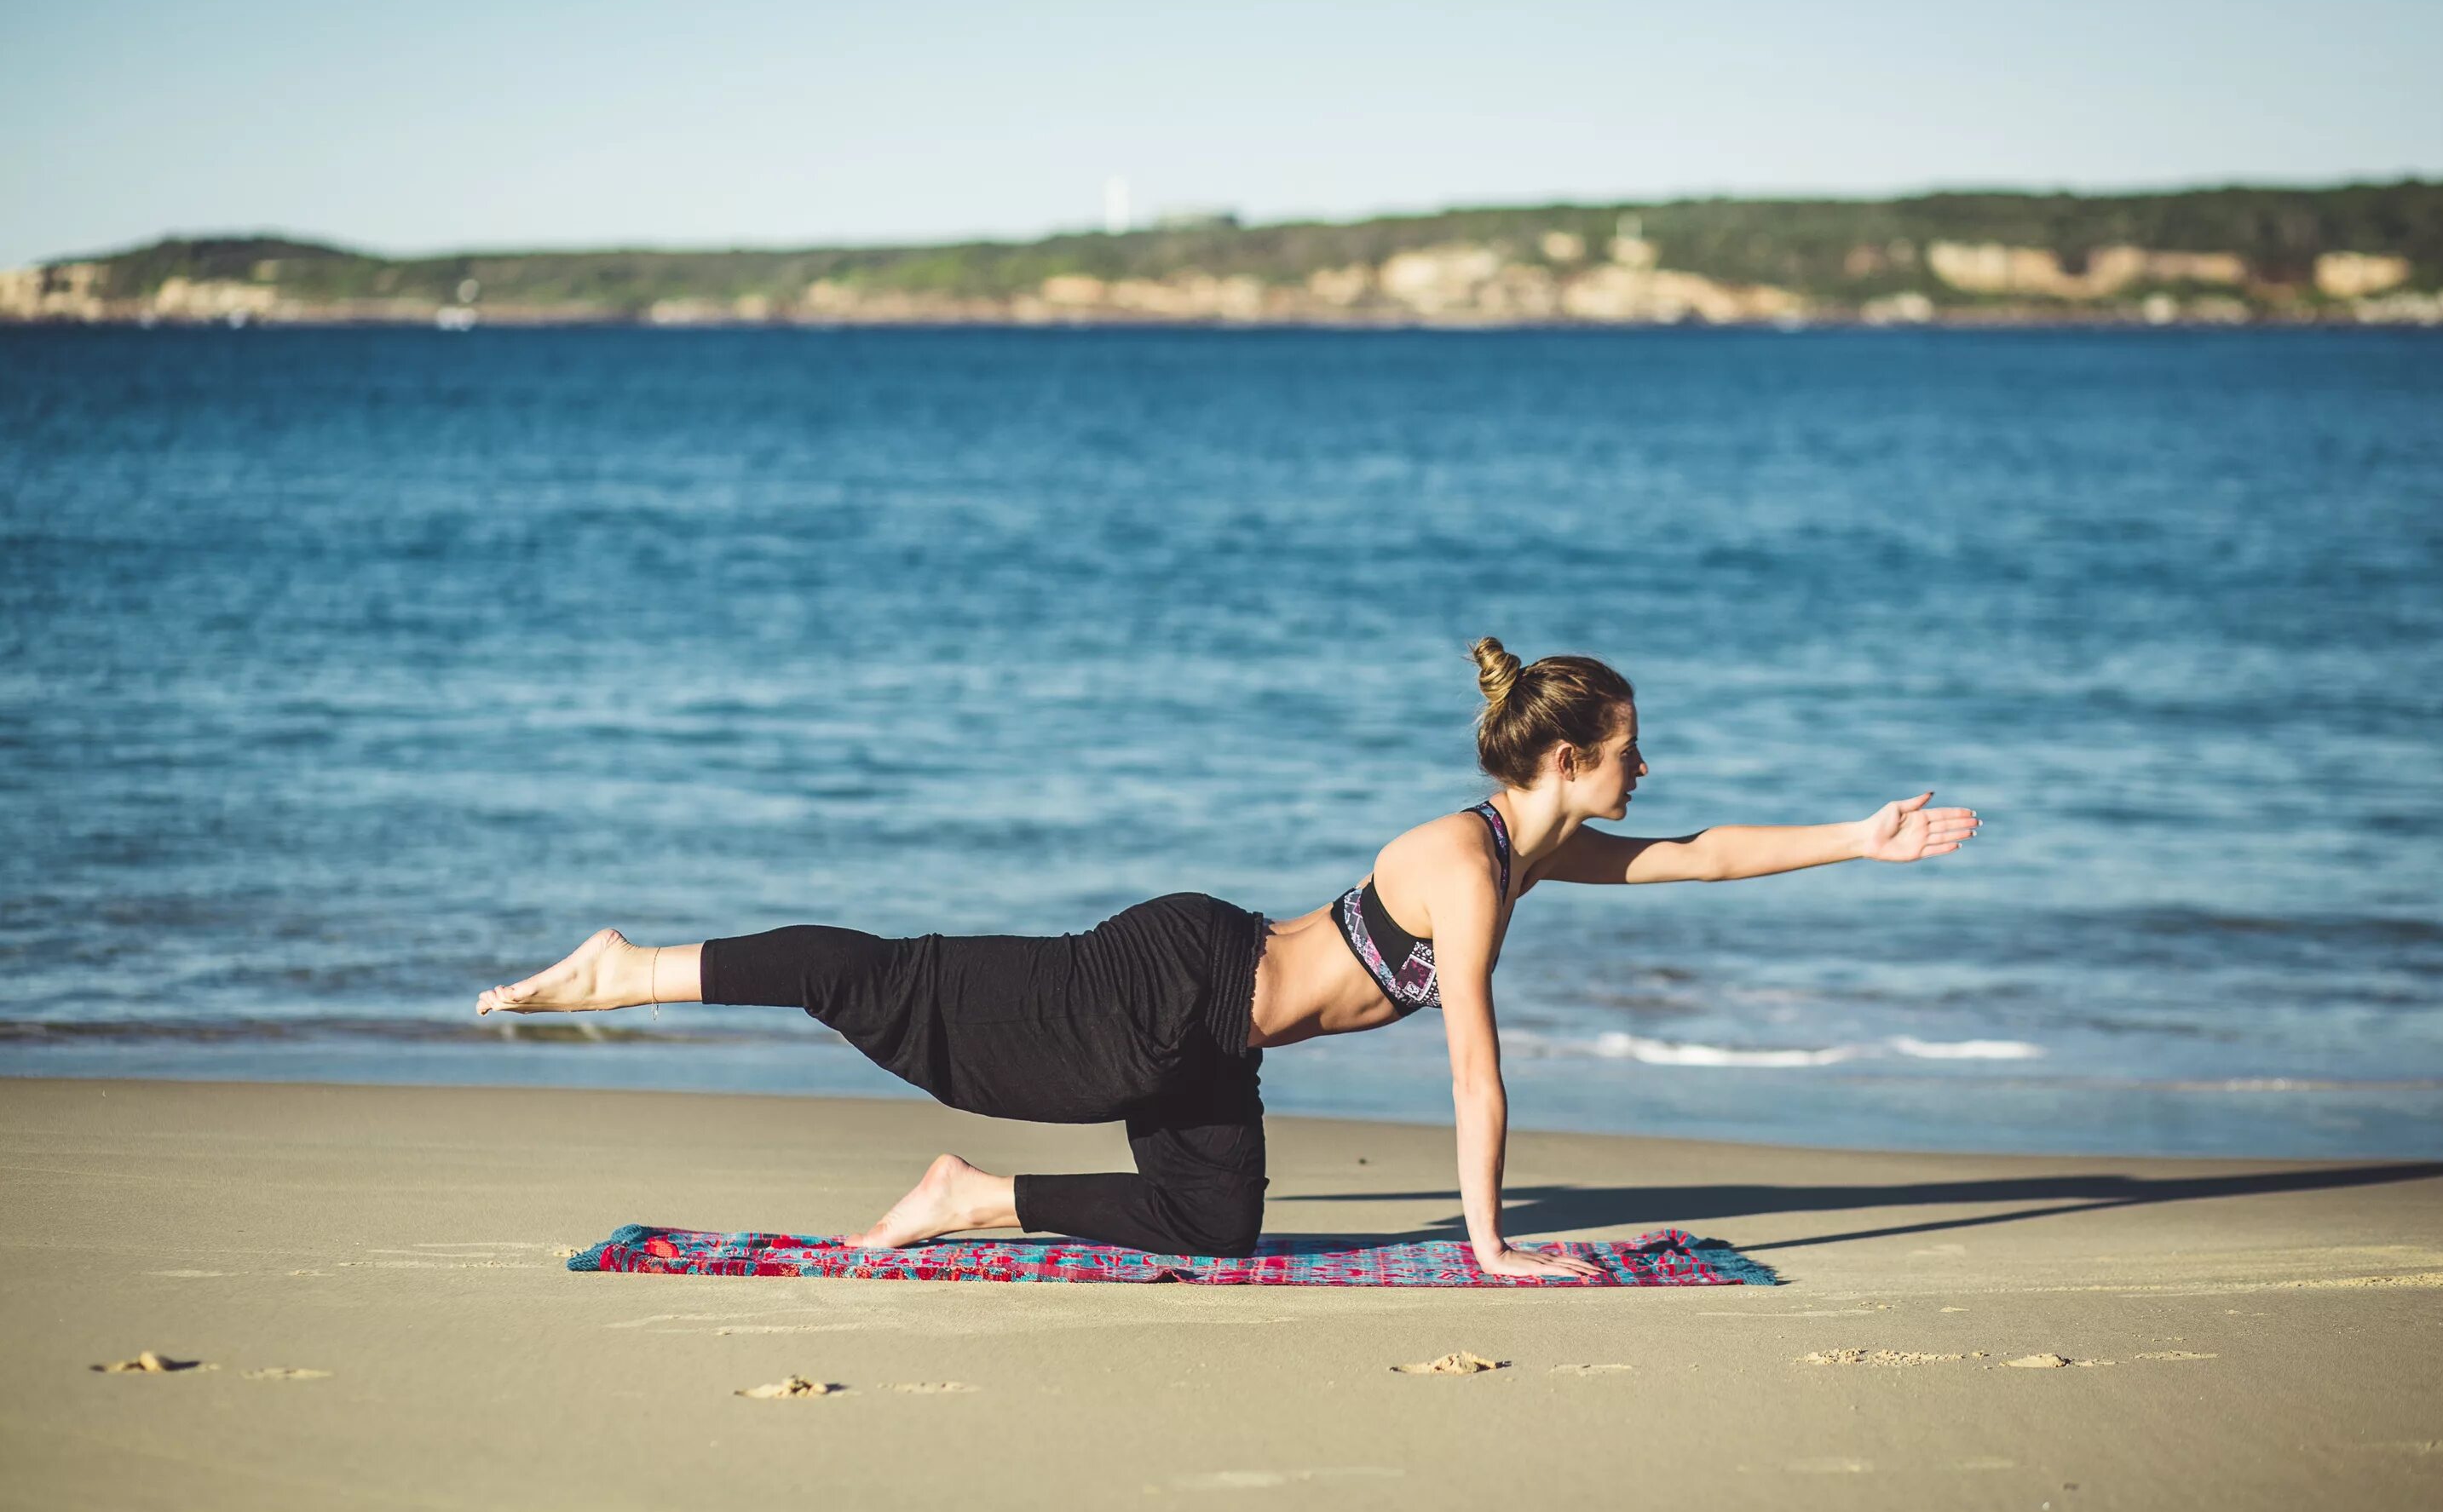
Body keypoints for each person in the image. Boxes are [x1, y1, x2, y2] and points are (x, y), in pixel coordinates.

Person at [476, 637, 1978, 1279]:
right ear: (1569, 756)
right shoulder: (1464, 866)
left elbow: (1699, 855)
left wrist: (1865, 834)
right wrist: (1490, 1245)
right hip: (1168, 990)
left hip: (1221, 1037)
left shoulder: (1533, 849)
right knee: (909, 998)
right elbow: (1473, 1066)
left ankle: (963, 1195)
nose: (1646, 777)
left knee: (1215, 1224)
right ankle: (630, 967)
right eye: (1632, 755)